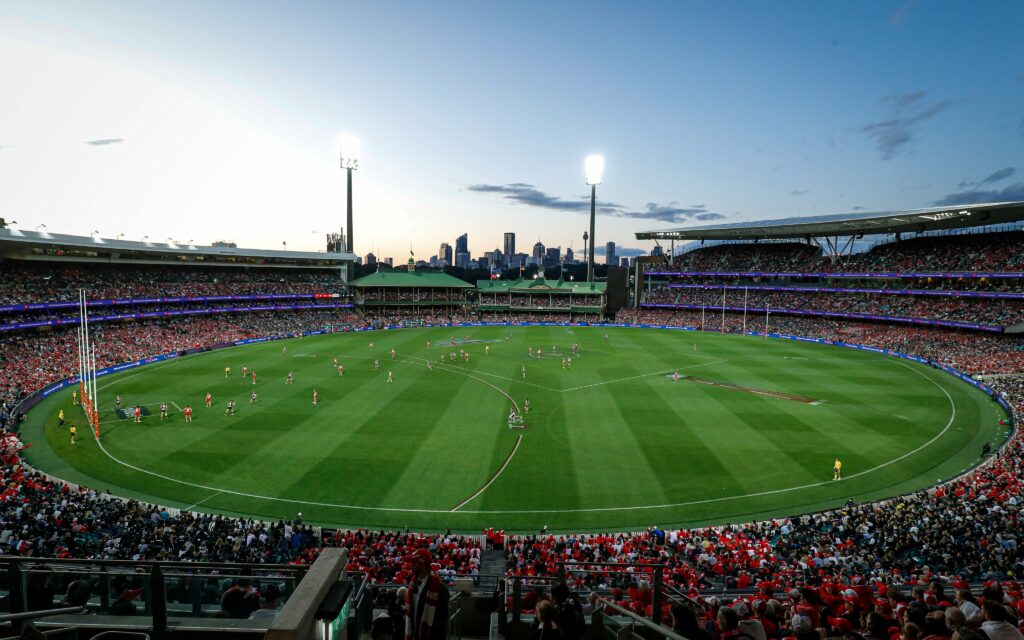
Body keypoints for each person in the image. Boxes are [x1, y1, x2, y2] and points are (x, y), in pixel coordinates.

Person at [404, 549, 448, 640]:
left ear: (421, 564)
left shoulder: (439, 588)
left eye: (414, 563)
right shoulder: (413, 584)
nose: (411, 565)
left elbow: (442, 621)